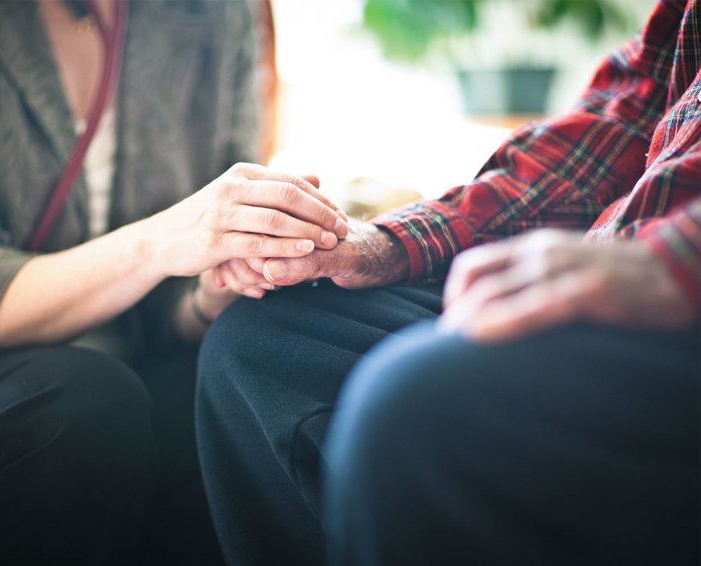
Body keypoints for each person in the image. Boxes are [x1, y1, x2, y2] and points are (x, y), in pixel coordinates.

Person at [196, 0, 701, 564]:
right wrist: (387, 244)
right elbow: (619, 126)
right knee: (262, 342)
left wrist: (670, 262)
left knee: (413, 397)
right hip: (624, 264)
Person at [0, 0, 350, 564]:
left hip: (125, 362)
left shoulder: (217, 13)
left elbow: (170, 292)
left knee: (249, 386)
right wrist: (158, 243)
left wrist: (210, 291)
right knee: (77, 411)